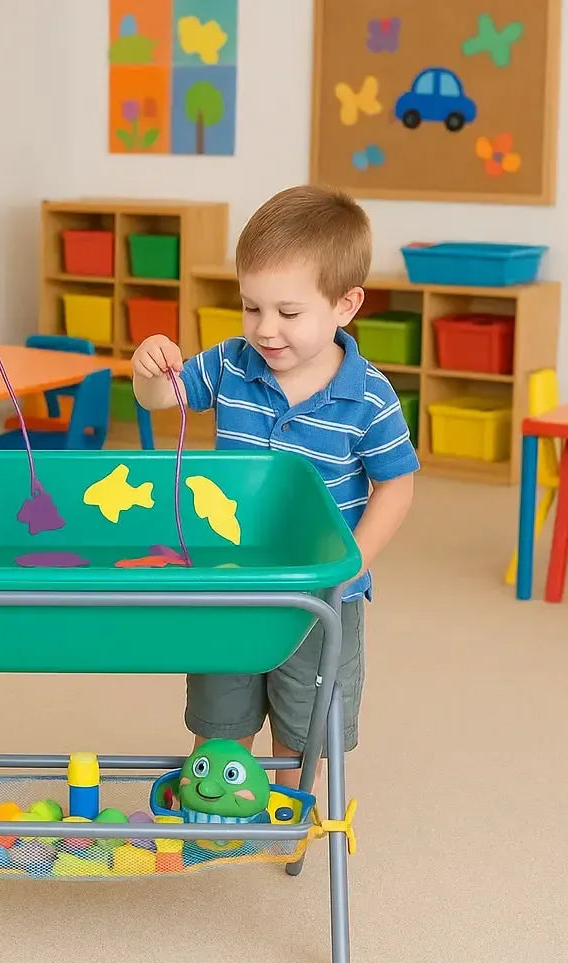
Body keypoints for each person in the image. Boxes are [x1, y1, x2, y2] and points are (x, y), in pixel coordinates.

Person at [132, 184, 417, 790]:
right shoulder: (230, 363)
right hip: (230, 581)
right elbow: (162, 401)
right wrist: (148, 371)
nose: (265, 329)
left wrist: (350, 564)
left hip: (321, 595)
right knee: (220, 717)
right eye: (250, 307)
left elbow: (396, 487)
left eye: (288, 313)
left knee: (304, 724)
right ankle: (224, 808)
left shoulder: (369, 395)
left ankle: (286, 815)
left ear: (346, 305)